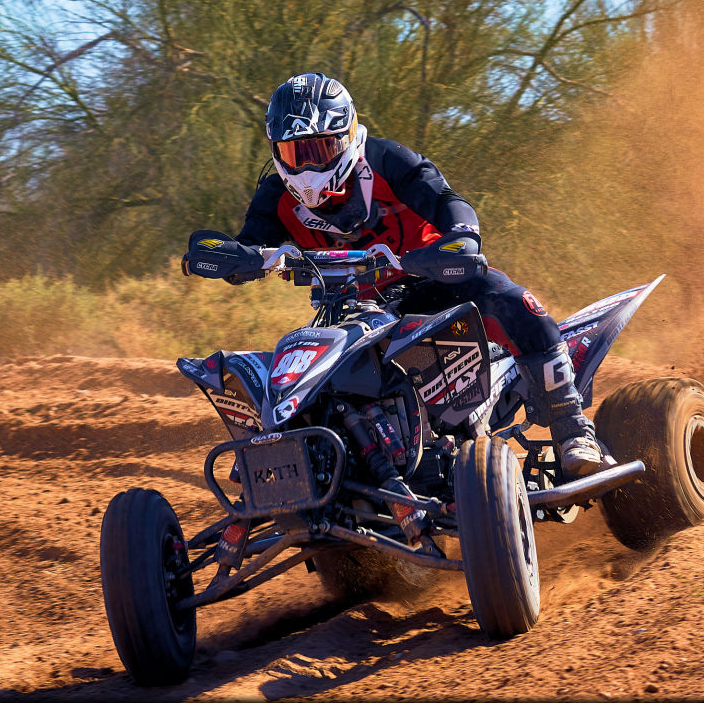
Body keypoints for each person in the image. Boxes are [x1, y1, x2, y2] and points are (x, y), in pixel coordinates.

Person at [228, 72, 603, 483]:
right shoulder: (275, 197)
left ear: (347, 136)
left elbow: (446, 201)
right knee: (316, 383)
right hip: (355, 311)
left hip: (440, 285)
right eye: (294, 153)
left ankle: (573, 429)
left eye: (318, 149)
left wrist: (461, 236)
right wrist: (231, 258)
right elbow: (249, 246)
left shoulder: (387, 161)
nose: (307, 166)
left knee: (514, 302)